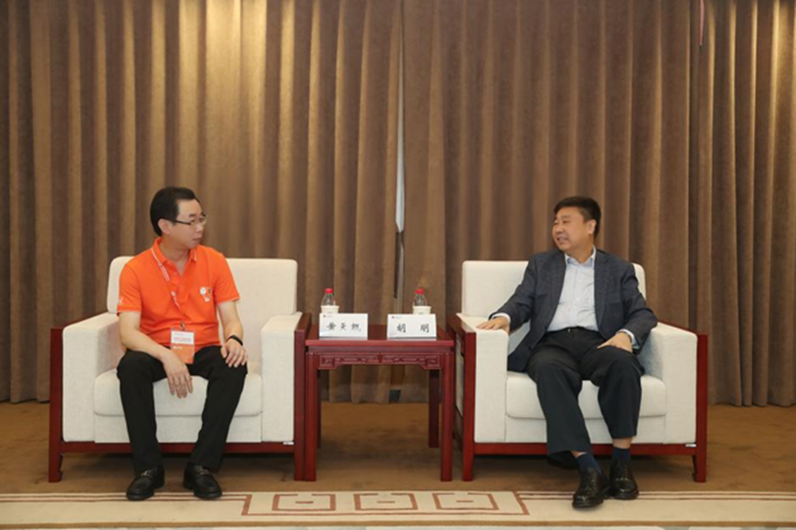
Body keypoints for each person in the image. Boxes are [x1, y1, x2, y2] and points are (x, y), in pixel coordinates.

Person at [477, 196, 657, 508]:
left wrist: (625, 336)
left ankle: (621, 464)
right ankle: (589, 468)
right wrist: (503, 318)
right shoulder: (541, 265)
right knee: (547, 369)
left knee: (624, 365)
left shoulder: (618, 269)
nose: (558, 229)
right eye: (555, 222)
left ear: (590, 226)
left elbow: (642, 313)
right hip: (553, 343)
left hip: (599, 343)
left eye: (566, 222)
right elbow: (521, 301)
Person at [116, 186, 248, 501]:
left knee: (233, 366)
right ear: (165, 225)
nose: (199, 227)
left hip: (202, 347)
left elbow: (231, 318)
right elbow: (128, 333)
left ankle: (201, 466)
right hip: (155, 348)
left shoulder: (214, 261)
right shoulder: (135, 269)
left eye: (202, 219)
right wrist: (166, 356)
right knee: (131, 366)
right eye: (191, 221)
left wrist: (234, 338)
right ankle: (148, 469)